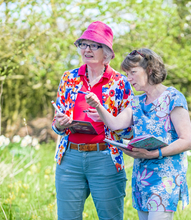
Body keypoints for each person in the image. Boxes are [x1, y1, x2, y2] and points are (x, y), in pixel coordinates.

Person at [85, 48, 191, 220]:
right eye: (126, 74)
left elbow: (187, 141)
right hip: (142, 178)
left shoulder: (173, 97)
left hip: (165, 179)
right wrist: (98, 105)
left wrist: (155, 153)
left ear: (149, 70)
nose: (128, 78)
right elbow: (114, 124)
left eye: (133, 72)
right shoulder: (136, 102)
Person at [51, 21, 133, 220]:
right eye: (83, 44)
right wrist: (60, 124)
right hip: (69, 160)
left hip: (105, 158)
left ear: (106, 52)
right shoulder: (69, 78)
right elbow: (56, 124)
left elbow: (129, 132)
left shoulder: (120, 83)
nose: (87, 49)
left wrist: (107, 119)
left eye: (93, 45)